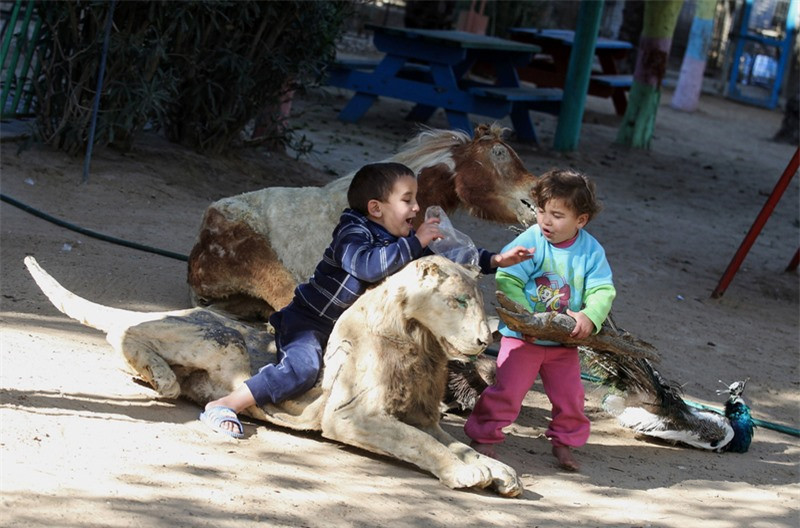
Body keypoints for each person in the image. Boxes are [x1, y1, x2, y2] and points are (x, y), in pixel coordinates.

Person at [200, 161, 534, 438]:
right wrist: (415, 241)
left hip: (352, 331)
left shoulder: (401, 238)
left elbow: (451, 259)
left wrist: (494, 261)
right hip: (312, 321)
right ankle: (228, 404)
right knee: (302, 370)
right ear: (375, 208)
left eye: (416, 199)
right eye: (407, 200)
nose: (417, 208)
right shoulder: (353, 231)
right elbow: (367, 267)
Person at [464, 168, 616, 471]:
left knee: (571, 397)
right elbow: (508, 278)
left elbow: (603, 288)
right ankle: (485, 435)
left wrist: (589, 316)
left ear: (580, 220)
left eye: (557, 215)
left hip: (563, 342)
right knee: (507, 390)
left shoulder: (591, 252)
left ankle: (565, 442)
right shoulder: (531, 241)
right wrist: (525, 319)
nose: (546, 220)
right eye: (541, 211)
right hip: (524, 339)